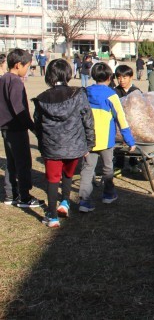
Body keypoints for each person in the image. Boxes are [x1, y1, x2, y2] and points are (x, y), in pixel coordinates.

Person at [33, 59, 95, 228]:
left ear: (49, 75)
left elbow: (38, 125)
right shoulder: (78, 94)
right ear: (68, 74)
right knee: (68, 174)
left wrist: (42, 145)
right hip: (75, 145)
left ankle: (52, 216)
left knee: (52, 179)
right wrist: (89, 144)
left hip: (52, 147)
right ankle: (65, 201)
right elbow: (88, 119)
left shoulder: (41, 98)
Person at [78, 63, 136, 212]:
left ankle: (84, 201)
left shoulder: (85, 92)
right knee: (108, 167)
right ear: (110, 77)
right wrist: (129, 140)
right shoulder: (111, 95)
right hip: (106, 140)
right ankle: (108, 194)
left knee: (87, 170)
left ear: (93, 76)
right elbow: (121, 119)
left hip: (88, 140)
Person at [0, 49, 43, 208]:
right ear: (18, 65)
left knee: (11, 162)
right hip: (16, 128)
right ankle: (24, 197)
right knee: (23, 162)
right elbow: (19, 108)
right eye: (27, 67)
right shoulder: (15, 81)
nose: (28, 70)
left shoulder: (3, 78)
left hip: (6, 128)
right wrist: (32, 127)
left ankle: (10, 194)